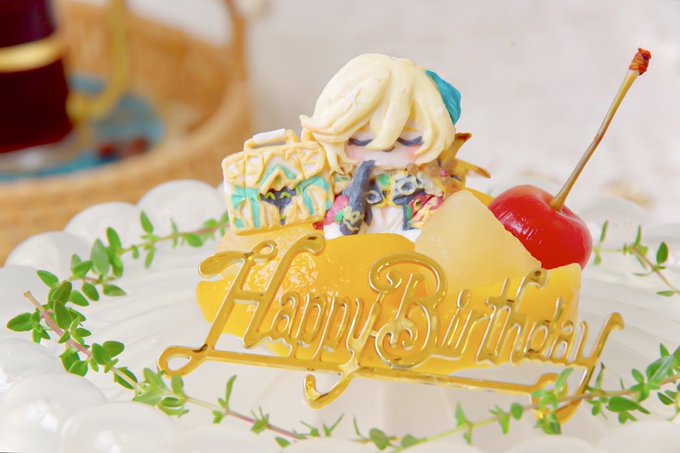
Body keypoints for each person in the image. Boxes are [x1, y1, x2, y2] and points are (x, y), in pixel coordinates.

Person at [300, 53, 467, 240]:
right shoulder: (342, 189)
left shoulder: (424, 188)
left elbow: (440, 229)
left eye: (409, 140)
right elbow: (335, 229)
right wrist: (355, 196)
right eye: (361, 142)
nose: (386, 149)